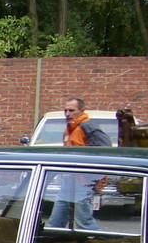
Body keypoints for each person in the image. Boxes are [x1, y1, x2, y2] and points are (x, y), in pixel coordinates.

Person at [47, 97, 110, 230]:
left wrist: (94, 179)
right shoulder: (70, 128)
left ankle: (95, 240)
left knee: (84, 221)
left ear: (82, 110)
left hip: (83, 182)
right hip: (69, 180)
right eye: (65, 110)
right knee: (56, 220)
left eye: (71, 110)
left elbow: (104, 153)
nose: (67, 114)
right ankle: (51, 238)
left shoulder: (88, 127)